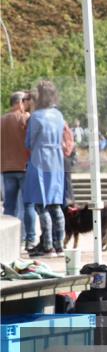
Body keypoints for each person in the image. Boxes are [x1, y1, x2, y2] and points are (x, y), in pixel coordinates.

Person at [23, 81, 66, 257]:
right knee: (55, 205)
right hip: (56, 160)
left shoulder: (36, 116)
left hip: (40, 159)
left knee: (42, 205)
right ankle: (59, 245)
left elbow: (29, 142)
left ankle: (47, 245)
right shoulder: (58, 115)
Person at [1, 91, 37, 251]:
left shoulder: (1, 120)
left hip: (6, 169)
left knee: (9, 206)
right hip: (24, 167)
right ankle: (30, 239)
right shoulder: (26, 118)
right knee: (28, 205)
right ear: (20, 102)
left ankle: (8, 240)